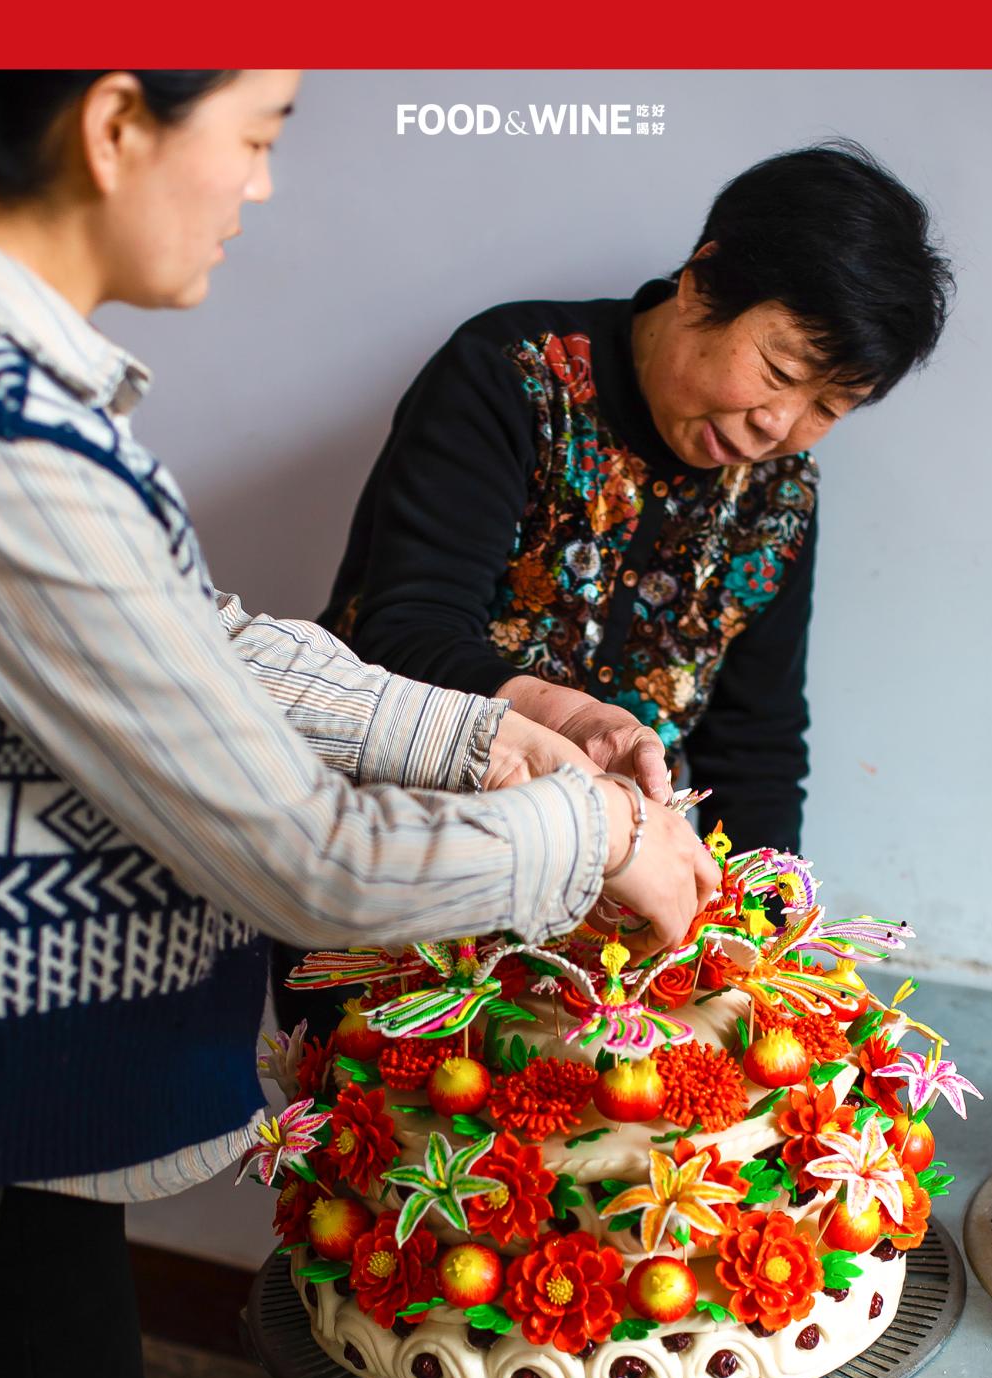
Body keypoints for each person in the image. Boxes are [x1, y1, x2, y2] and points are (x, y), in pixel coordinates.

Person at [0, 70, 718, 1378]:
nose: (258, 189)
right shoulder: (14, 441)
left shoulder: (44, 404)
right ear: (116, 123)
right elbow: (303, 857)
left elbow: (206, 643)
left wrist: (486, 737)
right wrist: (590, 829)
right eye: (254, 137)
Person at [319, 140, 955, 851]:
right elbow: (407, 635)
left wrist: (765, 934)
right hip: (386, 850)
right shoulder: (514, 378)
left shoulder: (777, 493)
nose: (778, 425)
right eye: (779, 370)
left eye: (830, 407)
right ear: (702, 283)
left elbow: (754, 746)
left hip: (607, 897)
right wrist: (570, 724)